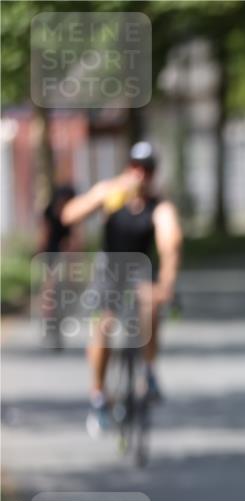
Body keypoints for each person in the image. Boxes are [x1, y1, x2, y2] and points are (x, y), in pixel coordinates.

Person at [61, 141, 183, 438]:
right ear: (129, 167)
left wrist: (166, 285)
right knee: (104, 324)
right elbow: (69, 215)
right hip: (110, 268)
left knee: (150, 306)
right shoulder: (112, 194)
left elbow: (171, 243)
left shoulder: (159, 205)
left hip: (140, 268)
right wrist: (107, 193)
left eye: (147, 170)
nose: (141, 175)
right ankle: (99, 395)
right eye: (136, 167)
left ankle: (149, 372)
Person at [37, 185, 81, 348]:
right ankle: (47, 318)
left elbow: (76, 238)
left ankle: (62, 315)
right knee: (49, 287)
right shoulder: (49, 211)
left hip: (65, 253)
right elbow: (44, 234)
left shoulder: (73, 213)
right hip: (50, 252)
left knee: (68, 286)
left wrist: (74, 258)